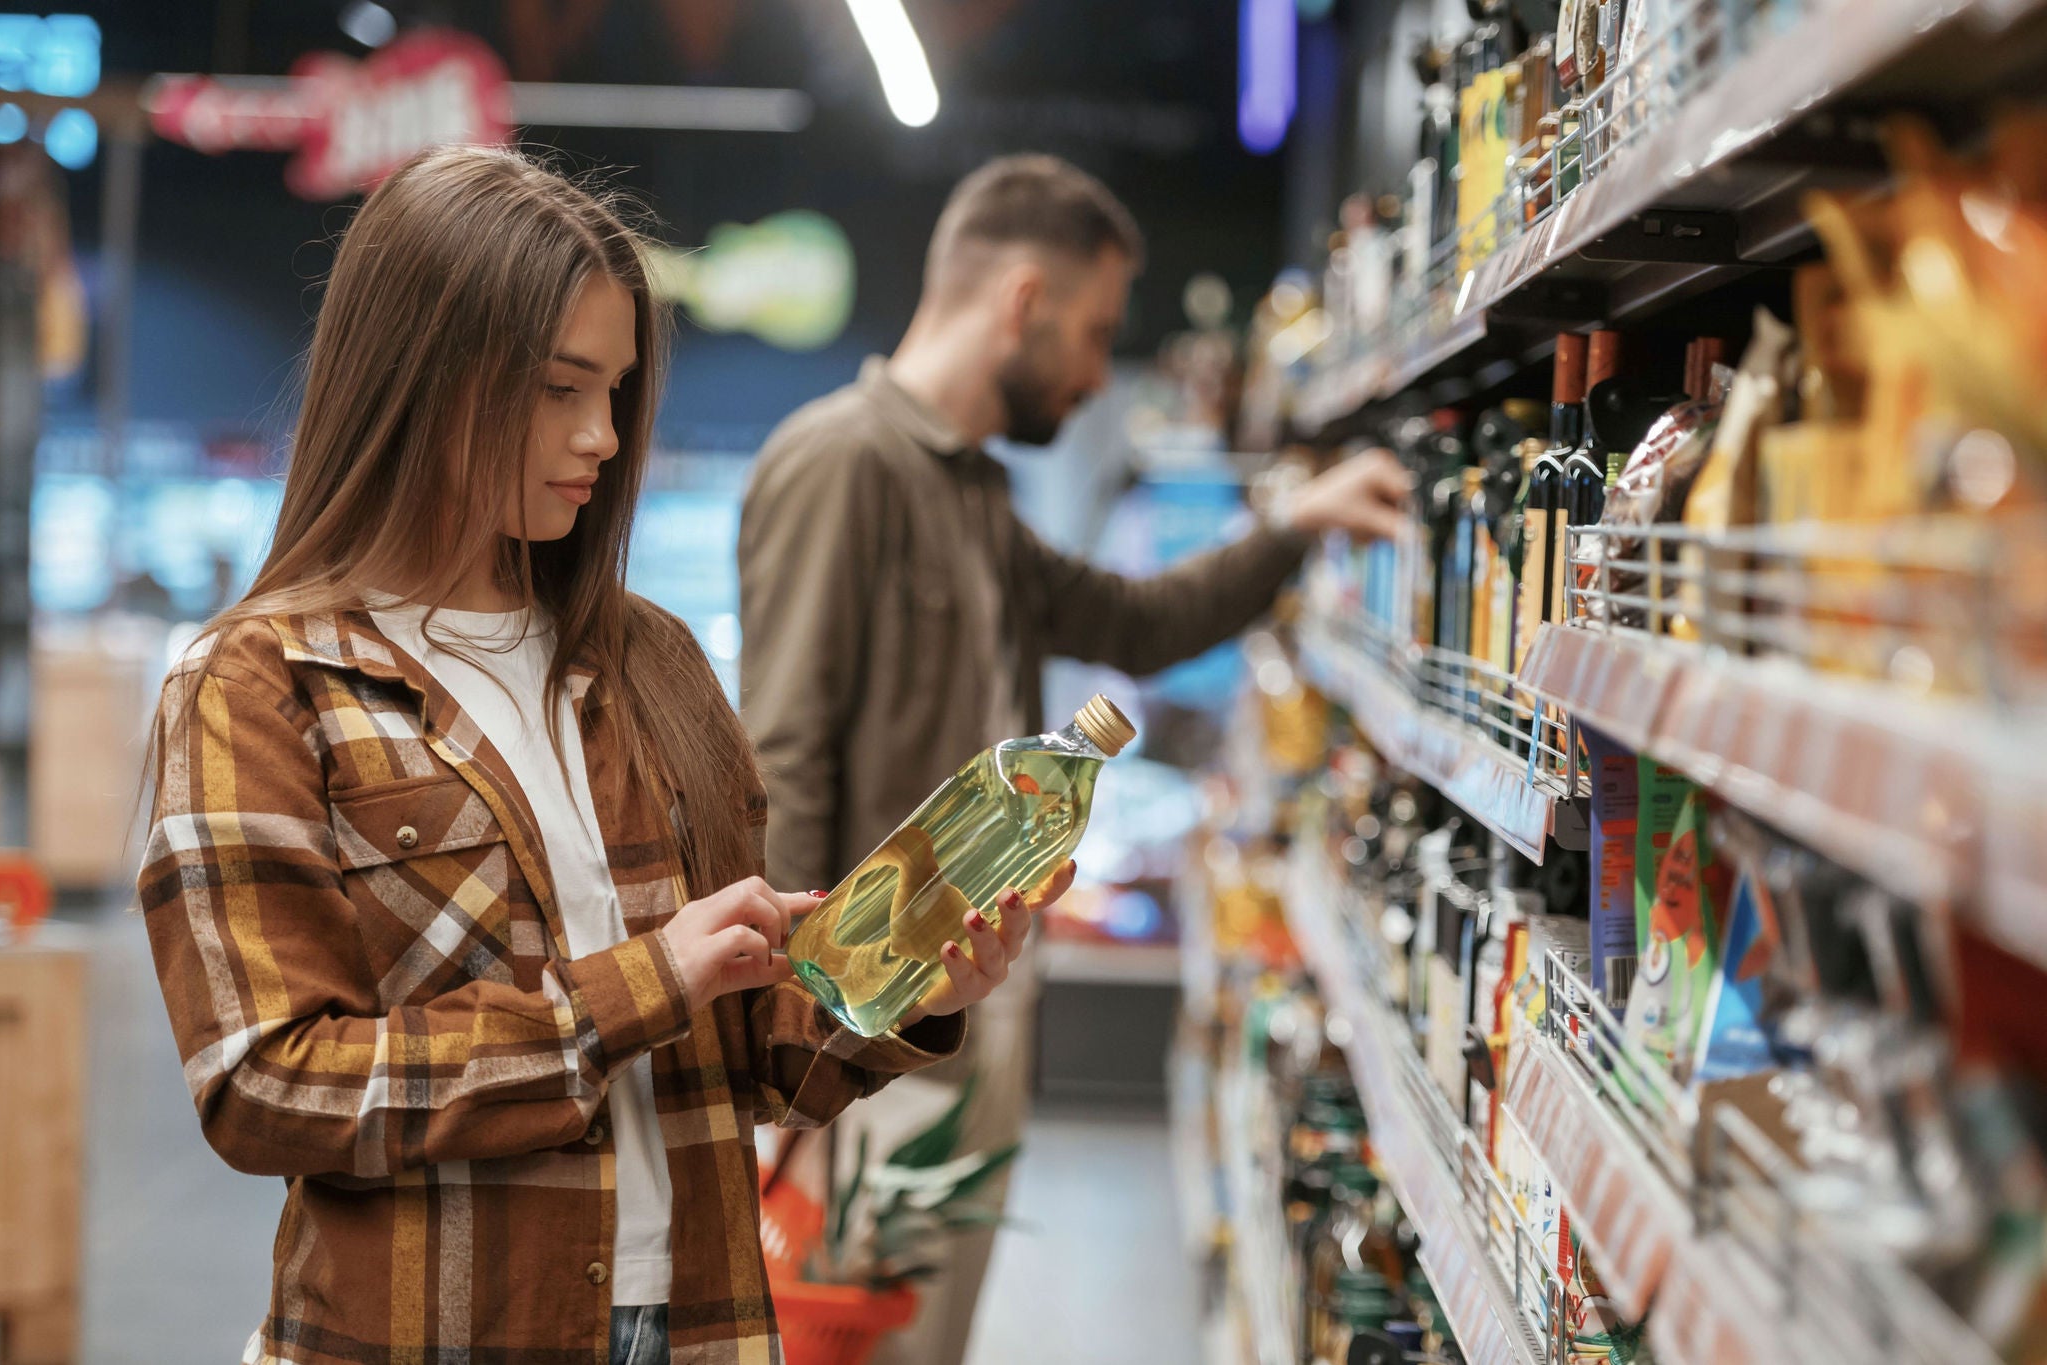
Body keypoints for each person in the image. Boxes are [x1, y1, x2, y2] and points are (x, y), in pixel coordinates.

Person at [138, 145, 1064, 1365]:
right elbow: (268, 1084)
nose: (603, 438)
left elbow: (740, 1046)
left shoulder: (650, 662)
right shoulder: (258, 685)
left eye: (618, 391)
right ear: (424, 376)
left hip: (695, 1322)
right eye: (559, 389)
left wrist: (904, 994)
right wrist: (638, 986)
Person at [738, 153, 1409, 1364]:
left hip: (961, 1021)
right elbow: (779, 763)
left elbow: (1134, 624)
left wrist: (1294, 524)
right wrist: (799, 1073)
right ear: (1022, 297)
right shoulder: (839, 462)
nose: (1101, 371)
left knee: (923, 1344)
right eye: (1095, 331)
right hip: (867, 1050)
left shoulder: (974, 492)